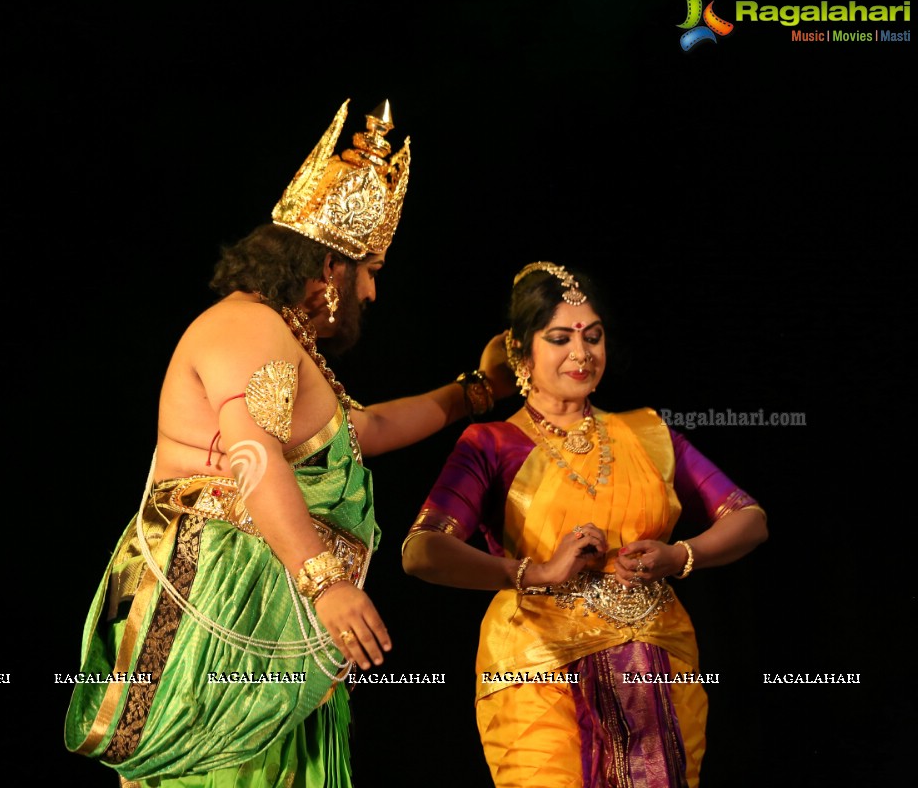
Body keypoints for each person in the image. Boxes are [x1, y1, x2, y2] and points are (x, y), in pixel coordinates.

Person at [63, 98, 513, 787]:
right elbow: (254, 456)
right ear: (331, 268)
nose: (372, 292)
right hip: (225, 608)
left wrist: (475, 391)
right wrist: (325, 582)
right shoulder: (246, 328)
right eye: (369, 271)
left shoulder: (282, 341)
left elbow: (366, 432)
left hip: (275, 610)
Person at [401, 261, 769, 788]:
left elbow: (749, 517)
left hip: (656, 669)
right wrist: (539, 573)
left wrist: (681, 556)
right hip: (538, 671)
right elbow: (422, 550)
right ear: (521, 351)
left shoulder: (649, 432)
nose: (582, 353)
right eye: (559, 338)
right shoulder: (491, 444)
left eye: (593, 337)